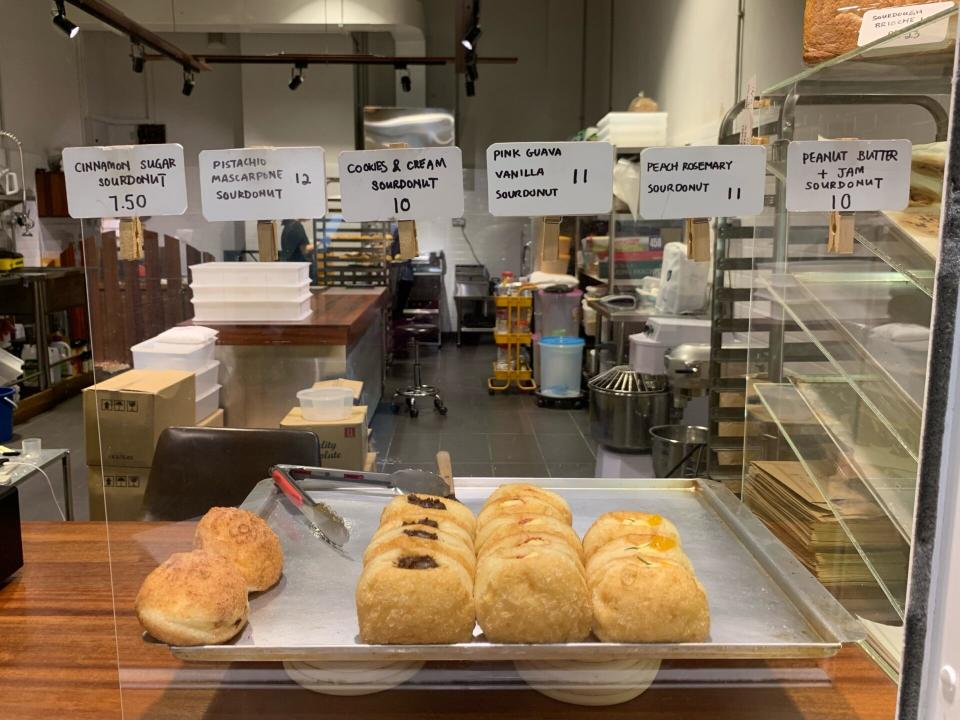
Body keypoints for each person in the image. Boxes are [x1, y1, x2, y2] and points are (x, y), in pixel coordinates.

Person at [279, 218, 316, 283]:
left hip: (291, 267)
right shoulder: (296, 226)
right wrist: (320, 243)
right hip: (299, 269)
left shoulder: (288, 226)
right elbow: (305, 249)